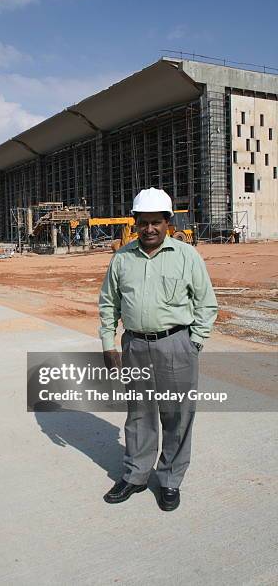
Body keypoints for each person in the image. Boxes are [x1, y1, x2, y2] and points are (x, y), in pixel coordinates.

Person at [99, 187, 218, 511]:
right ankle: (136, 475)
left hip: (176, 344)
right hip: (135, 345)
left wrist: (194, 343)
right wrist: (109, 346)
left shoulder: (186, 256)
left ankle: (169, 480)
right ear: (134, 222)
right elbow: (109, 305)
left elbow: (206, 303)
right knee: (139, 415)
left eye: (156, 222)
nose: (149, 229)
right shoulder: (122, 259)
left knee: (177, 416)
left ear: (168, 222)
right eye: (143, 222)